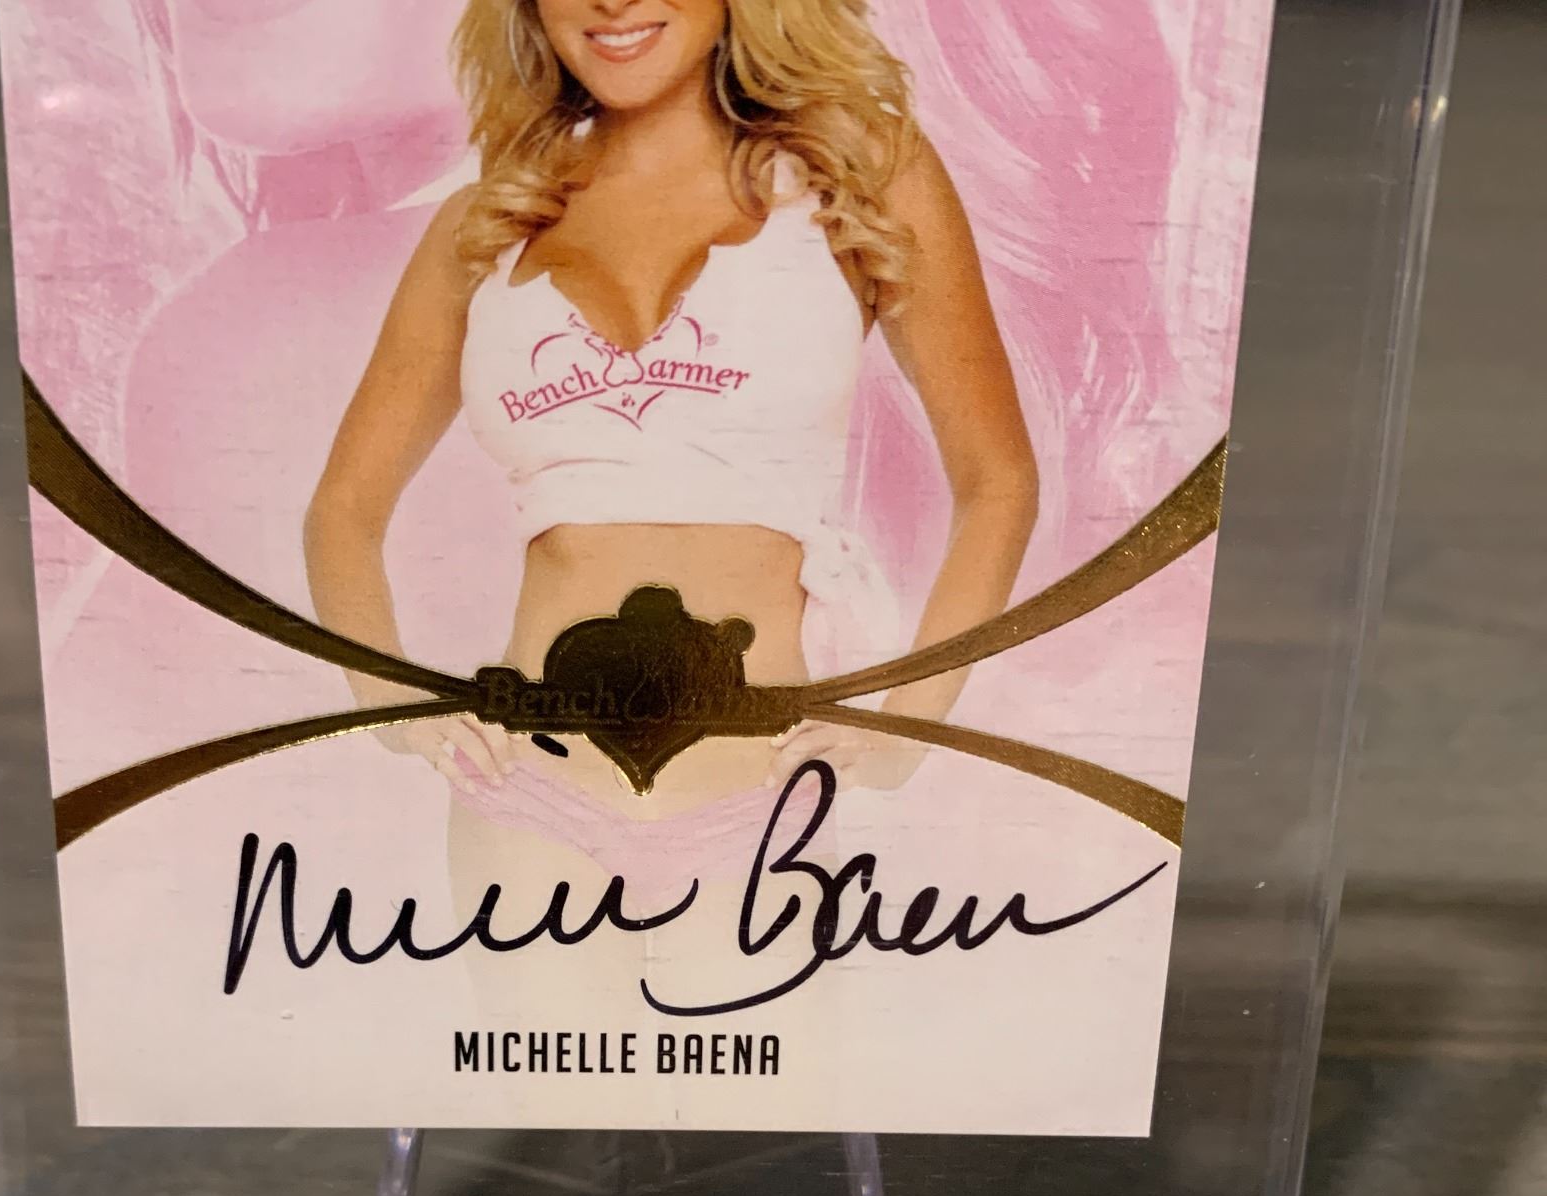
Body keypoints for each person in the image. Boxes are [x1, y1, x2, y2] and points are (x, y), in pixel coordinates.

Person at [305, 0, 1038, 914]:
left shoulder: (858, 183)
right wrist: (397, 708)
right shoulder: (486, 224)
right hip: (525, 797)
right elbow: (343, 509)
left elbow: (998, 481)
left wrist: (905, 730)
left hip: (763, 795)